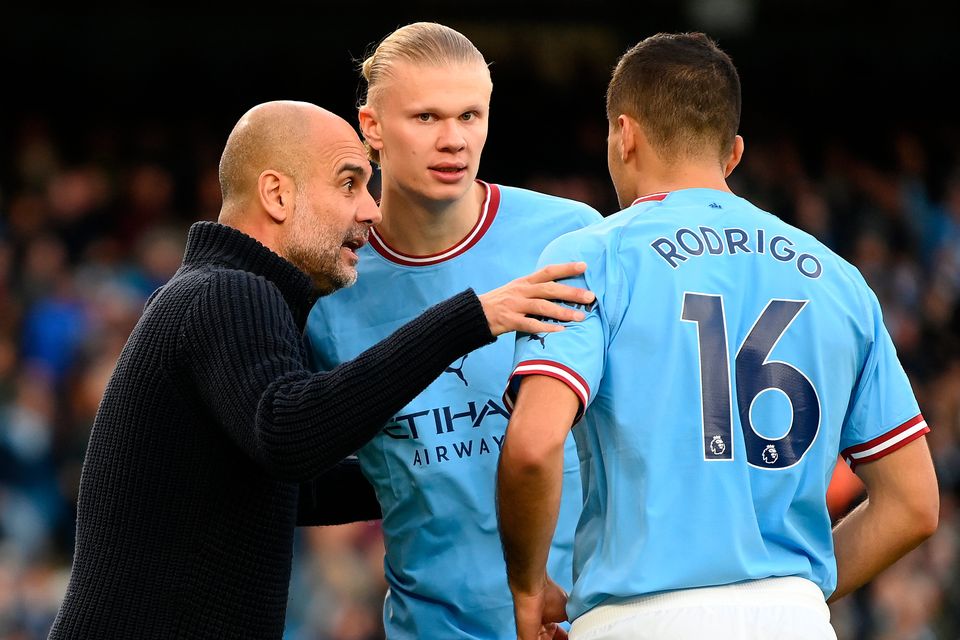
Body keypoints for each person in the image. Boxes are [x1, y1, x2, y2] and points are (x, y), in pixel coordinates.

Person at [48, 100, 594, 640]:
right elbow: (291, 434)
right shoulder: (232, 291)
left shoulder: (216, 292)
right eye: (349, 183)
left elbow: (290, 488)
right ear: (277, 194)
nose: (371, 210)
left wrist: (442, 468)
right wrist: (471, 318)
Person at [496, 32, 940, 640]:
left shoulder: (594, 254)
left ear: (624, 135)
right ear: (732, 154)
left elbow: (531, 446)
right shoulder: (841, 280)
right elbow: (913, 506)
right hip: (794, 621)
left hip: (637, 618)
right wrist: (793, 601)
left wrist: (527, 591)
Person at [306, 22, 602, 639]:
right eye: (426, 118)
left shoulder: (570, 237)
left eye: (471, 116)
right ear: (372, 127)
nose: (454, 141)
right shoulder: (330, 281)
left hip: (581, 622)